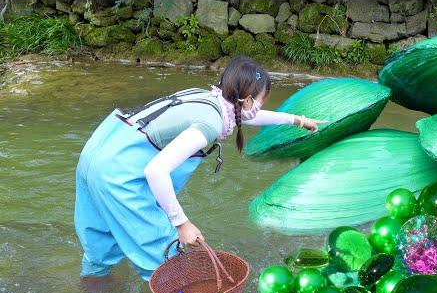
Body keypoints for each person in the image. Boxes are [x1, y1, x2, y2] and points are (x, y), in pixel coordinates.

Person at [74, 55, 328, 281]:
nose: (258, 109)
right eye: (260, 102)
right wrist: (181, 223)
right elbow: (156, 171)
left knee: (100, 243)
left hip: (99, 151)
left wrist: (296, 120)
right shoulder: (210, 123)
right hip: (119, 173)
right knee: (164, 256)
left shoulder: (209, 98)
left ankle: (93, 291)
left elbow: (248, 116)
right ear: (248, 100)